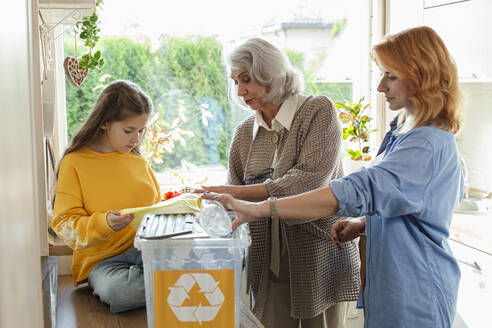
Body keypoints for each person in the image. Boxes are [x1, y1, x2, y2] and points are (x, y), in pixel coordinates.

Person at [203, 26, 464, 328]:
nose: (380, 86)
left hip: (415, 291)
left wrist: (260, 207)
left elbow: (356, 190)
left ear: (423, 76)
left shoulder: (427, 143)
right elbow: (413, 200)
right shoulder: (402, 131)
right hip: (390, 288)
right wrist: (364, 223)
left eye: (389, 75)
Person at [199, 38, 360, 327]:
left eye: (246, 79)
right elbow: (237, 201)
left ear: (269, 72)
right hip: (267, 262)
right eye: (235, 81)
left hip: (320, 256)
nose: (240, 90)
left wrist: (236, 192)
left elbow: (309, 181)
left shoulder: (317, 111)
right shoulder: (244, 132)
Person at [51, 80, 161, 313]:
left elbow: (158, 210)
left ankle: (161, 280)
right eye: (129, 131)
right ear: (104, 123)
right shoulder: (75, 163)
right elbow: (65, 225)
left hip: (147, 251)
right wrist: (105, 223)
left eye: (142, 130)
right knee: (120, 291)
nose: (137, 139)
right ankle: (166, 283)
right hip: (104, 261)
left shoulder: (138, 162)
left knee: (203, 257)